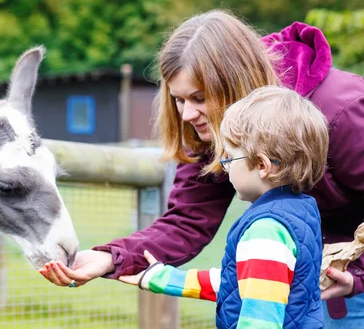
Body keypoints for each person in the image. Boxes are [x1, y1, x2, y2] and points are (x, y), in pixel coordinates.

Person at [38, 9, 364, 328]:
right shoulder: (220, 125)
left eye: (198, 97)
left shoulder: (341, 111)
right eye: (179, 99)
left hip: (344, 284)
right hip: (295, 284)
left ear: (234, 83)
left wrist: (358, 273)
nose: (186, 115)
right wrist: (113, 257)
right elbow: (188, 220)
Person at [117, 85, 327, 328]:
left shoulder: (266, 231)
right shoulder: (300, 213)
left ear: (262, 165)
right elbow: (237, 283)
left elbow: (261, 320)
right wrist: (161, 277)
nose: (224, 166)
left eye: (229, 157)